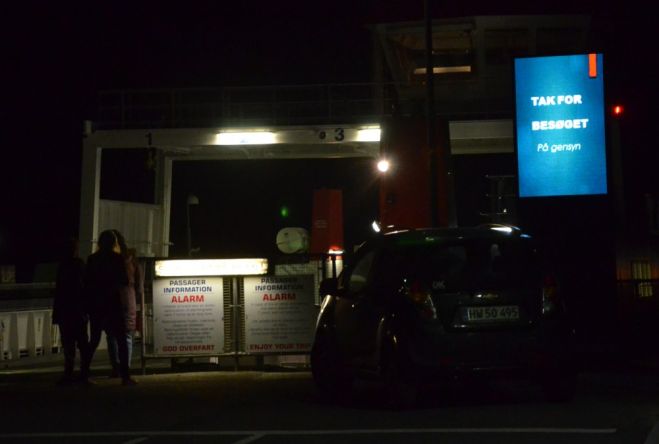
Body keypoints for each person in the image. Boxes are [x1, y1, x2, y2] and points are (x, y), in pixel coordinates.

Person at [83, 229, 137, 385]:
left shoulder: (92, 259)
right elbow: (125, 280)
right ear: (114, 243)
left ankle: (84, 374)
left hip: (97, 304)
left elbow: (87, 282)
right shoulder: (117, 259)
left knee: (94, 340)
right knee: (121, 339)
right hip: (113, 303)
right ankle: (125, 376)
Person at [52, 238, 91, 385]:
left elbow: (59, 292)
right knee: (82, 343)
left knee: (68, 345)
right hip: (79, 310)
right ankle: (84, 374)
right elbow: (86, 287)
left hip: (65, 311)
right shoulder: (80, 265)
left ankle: (68, 374)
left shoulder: (62, 266)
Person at [106, 231, 143, 378]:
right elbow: (139, 285)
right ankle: (125, 368)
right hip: (128, 298)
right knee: (127, 334)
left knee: (111, 335)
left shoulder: (105, 260)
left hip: (109, 299)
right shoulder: (131, 259)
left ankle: (116, 368)